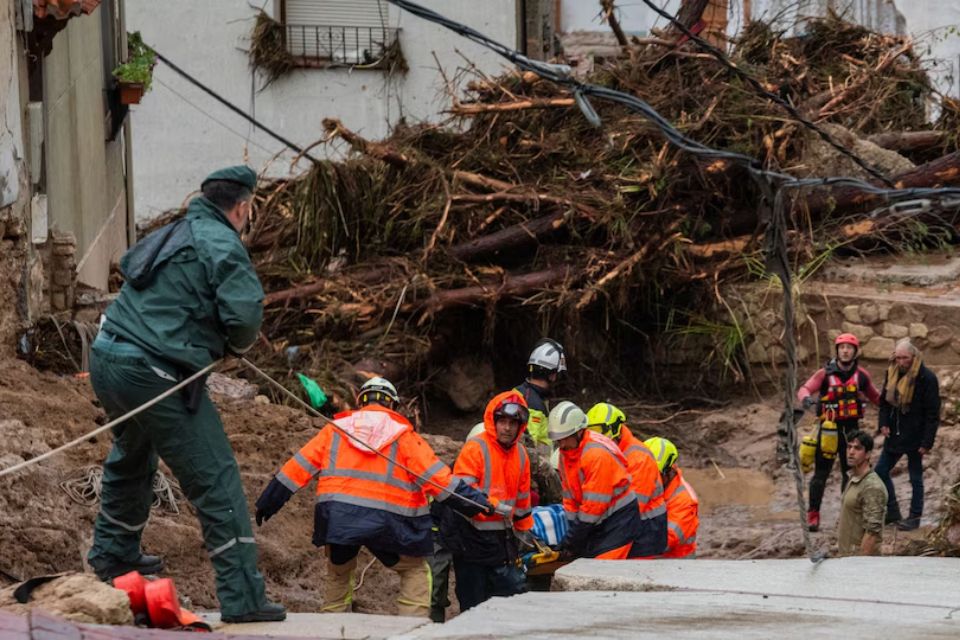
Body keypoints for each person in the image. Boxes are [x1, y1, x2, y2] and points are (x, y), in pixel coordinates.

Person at [86, 165, 285, 623]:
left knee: (133, 453)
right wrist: (234, 344)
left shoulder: (175, 231)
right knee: (216, 478)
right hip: (153, 370)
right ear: (242, 207)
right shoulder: (223, 244)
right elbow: (245, 313)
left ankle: (115, 556)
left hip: (106, 356)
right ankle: (243, 598)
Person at [254, 377, 498, 617]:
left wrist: (269, 501)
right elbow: (440, 481)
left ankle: (333, 630)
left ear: (361, 401)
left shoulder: (335, 430)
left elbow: (297, 468)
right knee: (414, 573)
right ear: (391, 404)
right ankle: (411, 633)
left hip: (340, 519)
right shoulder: (404, 436)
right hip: (391, 523)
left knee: (339, 574)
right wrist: (479, 504)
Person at [436, 391, 533, 612]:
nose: (507, 428)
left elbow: (523, 501)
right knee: (473, 605)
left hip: (502, 542)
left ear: (520, 426)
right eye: (503, 421)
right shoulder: (475, 449)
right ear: (493, 421)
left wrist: (525, 536)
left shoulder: (521, 454)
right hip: (471, 540)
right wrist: (492, 506)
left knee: (507, 603)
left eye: (512, 423)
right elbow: (462, 495)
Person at [796, 332, 881, 532]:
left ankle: (846, 514)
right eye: (841, 347)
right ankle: (813, 515)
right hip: (828, 430)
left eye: (849, 348)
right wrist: (807, 400)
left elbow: (877, 397)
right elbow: (804, 389)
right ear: (837, 351)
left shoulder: (861, 376)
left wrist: (893, 409)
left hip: (851, 432)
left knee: (848, 473)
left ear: (854, 352)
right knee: (820, 474)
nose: (845, 351)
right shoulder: (824, 374)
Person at [548, 401, 645, 560]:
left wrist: (572, 539)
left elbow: (594, 506)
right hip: (597, 520)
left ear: (579, 432)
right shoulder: (566, 454)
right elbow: (570, 497)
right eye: (558, 439)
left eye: (564, 438)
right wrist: (572, 534)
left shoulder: (596, 454)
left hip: (620, 521)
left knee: (602, 569)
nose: (562, 444)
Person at [875, 338, 940, 530]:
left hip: (916, 436)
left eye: (905, 358)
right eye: (898, 358)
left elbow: (933, 413)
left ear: (913, 357)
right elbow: (884, 403)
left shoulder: (926, 378)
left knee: (915, 478)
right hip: (894, 433)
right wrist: (883, 423)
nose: (901, 362)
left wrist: (927, 441)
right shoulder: (892, 372)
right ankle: (893, 511)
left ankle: (914, 517)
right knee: (880, 471)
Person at [585, 403, 667, 556]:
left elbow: (634, 508)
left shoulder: (638, 458)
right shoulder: (604, 453)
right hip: (623, 527)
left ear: (616, 431)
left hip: (644, 536)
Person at [428, 421, 484, 623]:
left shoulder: (498, 469)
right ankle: (435, 626)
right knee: (436, 587)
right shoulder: (451, 471)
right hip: (444, 534)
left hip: (476, 541)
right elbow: (438, 507)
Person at [515, 338, 566, 505]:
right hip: (533, 475)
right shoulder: (533, 404)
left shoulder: (522, 393)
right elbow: (529, 447)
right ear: (551, 375)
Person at [644, 437, 699, 558]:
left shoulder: (684, 500)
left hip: (677, 568)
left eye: (654, 475)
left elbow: (666, 541)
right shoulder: (652, 486)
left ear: (668, 471)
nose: (648, 479)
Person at [837, 431, 887, 556]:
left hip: (860, 564)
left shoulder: (872, 486)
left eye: (857, 448)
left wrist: (860, 564)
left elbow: (872, 532)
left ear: (868, 454)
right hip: (846, 559)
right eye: (849, 447)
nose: (851, 452)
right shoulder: (853, 478)